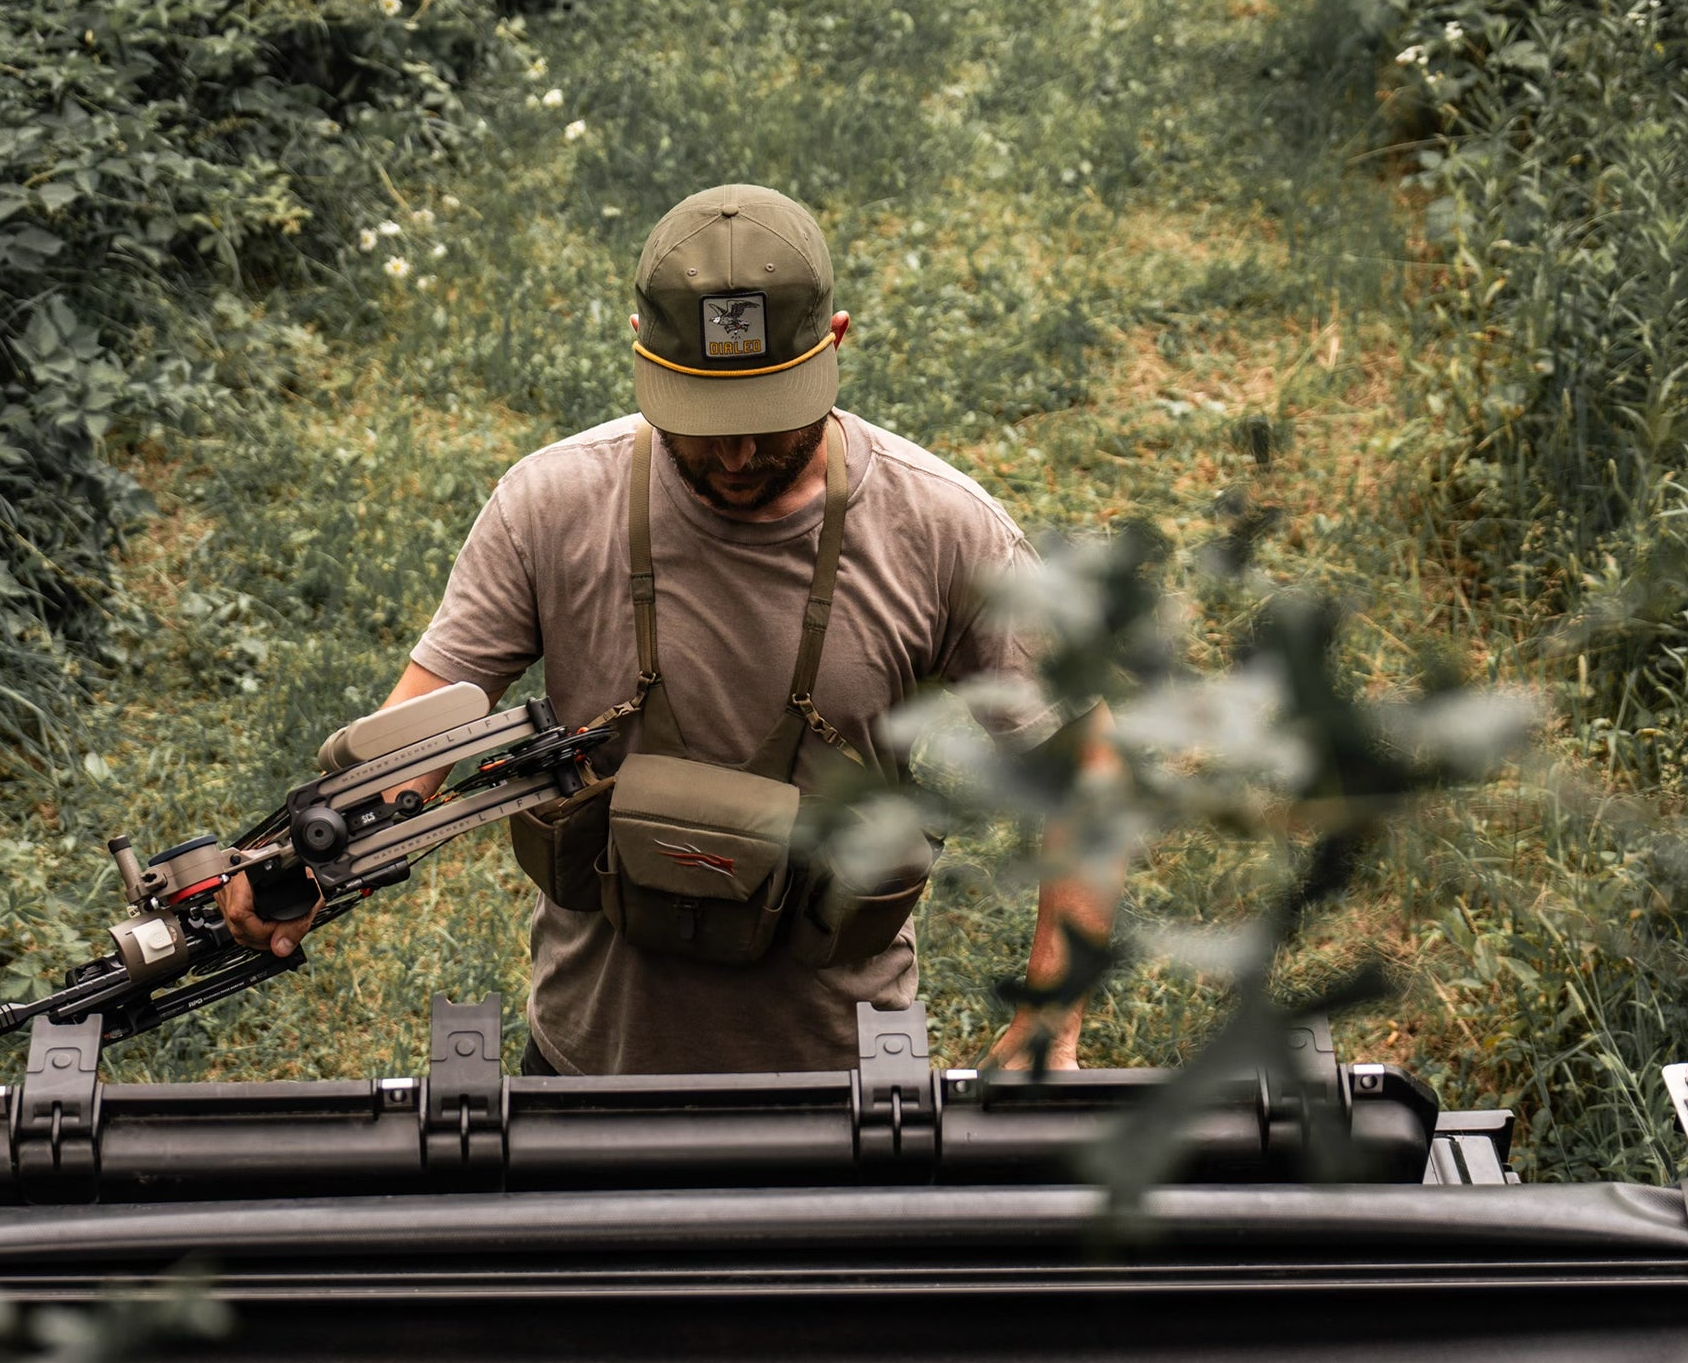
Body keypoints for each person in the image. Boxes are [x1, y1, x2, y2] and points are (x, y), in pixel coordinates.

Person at [223, 183, 1118, 1074]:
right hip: (590, 1057)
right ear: (640, 349)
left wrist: (1052, 1018)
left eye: (768, 419)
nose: (735, 455)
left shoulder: (944, 529)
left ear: (834, 341)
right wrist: (315, 854)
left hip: (838, 1074)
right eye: (704, 423)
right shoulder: (551, 504)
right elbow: (427, 726)